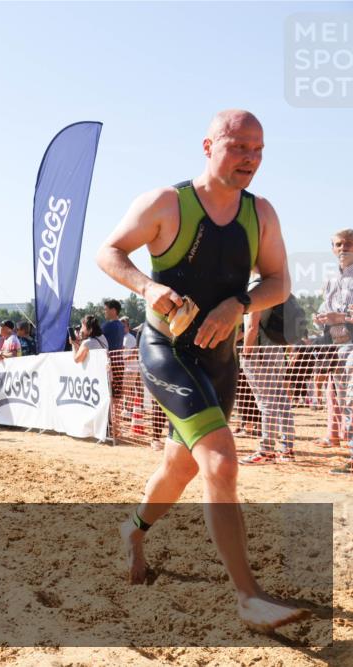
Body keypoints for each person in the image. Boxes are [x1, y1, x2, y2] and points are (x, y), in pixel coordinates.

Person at [96, 109, 307, 631]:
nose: (250, 160)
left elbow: (278, 282)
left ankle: (134, 529)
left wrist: (239, 303)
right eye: (239, 147)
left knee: (182, 467)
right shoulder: (166, 203)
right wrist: (149, 288)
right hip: (167, 353)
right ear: (208, 145)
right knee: (221, 463)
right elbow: (109, 251)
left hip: (220, 361)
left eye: (258, 150)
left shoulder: (261, 215)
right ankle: (248, 596)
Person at [238, 277, 297, 464]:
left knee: (266, 402)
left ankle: (266, 450)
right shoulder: (277, 286)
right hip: (276, 350)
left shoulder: (256, 288)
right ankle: (287, 448)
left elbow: (252, 325)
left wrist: (246, 354)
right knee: (281, 400)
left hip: (259, 352)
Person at [311, 230, 353, 456]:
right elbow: (324, 308)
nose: (343, 248)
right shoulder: (329, 279)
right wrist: (319, 318)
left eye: (348, 244)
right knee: (336, 392)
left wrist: (344, 318)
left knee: (350, 394)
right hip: (334, 343)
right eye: (338, 244)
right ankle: (339, 436)